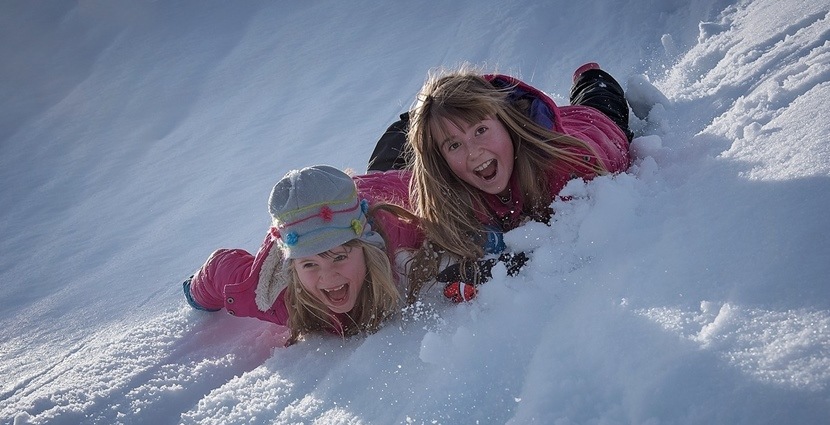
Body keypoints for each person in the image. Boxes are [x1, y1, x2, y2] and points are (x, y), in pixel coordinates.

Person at [382, 63, 633, 302]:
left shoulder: (564, 168)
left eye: (480, 130)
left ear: (506, 123)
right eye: (454, 145)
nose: (473, 152)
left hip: (594, 124)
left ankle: (589, 75)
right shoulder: (452, 188)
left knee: (600, 97)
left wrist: (508, 266)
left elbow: (572, 241)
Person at [183, 165, 423, 345]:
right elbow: (219, 270)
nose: (327, 277)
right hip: (313, 220)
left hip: (386, 187)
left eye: (339, 257)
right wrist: (196, 294)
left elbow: (427, 191)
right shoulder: (273, 294)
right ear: (292, 268)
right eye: (309, 264)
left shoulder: (396, 233)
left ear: (366, 249)